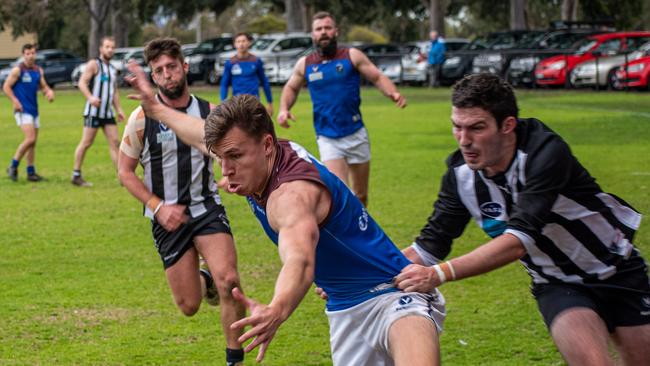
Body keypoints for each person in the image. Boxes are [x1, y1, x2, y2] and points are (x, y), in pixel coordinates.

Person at [125, 61, 445, 366]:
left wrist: (277, 308)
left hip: (396, 293)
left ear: (265, 145)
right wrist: (155, 109)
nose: (226, 170)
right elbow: (196, 132)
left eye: (234, 157)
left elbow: (300, 259)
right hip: (344, 306)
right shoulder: (260, 155)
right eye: (220, 158)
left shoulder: (289, 195)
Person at [395, 73, 650, 365]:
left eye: (477, 128)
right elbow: (428, 248)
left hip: (619, 270)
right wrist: (355, 275)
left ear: (507, 126)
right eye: (457, 127)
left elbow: (519, 240)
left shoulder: (545, 153)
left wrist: (439, 275)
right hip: (558, 283)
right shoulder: (460, 176)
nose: (464, 141)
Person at [117, 38, 245, 366]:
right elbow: (125, 172)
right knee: (189, 305)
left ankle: (234, 360)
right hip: (166, 218)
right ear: (152, 76)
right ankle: (204, 281)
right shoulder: (141, 119)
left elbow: (227, 153)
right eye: (158, 71)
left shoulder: (210, 113)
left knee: (229, 280)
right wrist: (158, 207)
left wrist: (231, 176)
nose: (167, 75)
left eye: (171, 67)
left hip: (206, 208)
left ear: (184, 67)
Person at [277, 11, 406, 207]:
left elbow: (377, 77)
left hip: (356, 133)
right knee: (342, 194)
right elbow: (291, 87)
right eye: (319, 29)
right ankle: (350, 235)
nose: (324, 32)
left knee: (361, 195)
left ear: (336, 31)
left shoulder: (351, 56)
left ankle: (362, 229)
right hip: (328, 137)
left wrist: (393, 93)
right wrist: (284, 109)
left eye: (327, 28)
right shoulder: (306, 64)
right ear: (313, 34)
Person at [71, 36, 126, 187]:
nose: (110, 49)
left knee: (115, 142)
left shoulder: (113, 69)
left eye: (112, 47)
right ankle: (76, 175)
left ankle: (123, 177)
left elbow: (114, 91)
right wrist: (90, 98)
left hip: (107, 113)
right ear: (101, 49)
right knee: (87, 142)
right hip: (93, 112)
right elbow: (82, 83)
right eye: (107, 47)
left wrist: (119, 109)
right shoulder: (94, 64)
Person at [4, 43, 54, 182]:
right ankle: (13, 165)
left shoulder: (38, 70)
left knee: (33, 142)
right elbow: (6, 87)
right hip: (22, 110)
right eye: (28, 53)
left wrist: (48, 93)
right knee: (30, 138)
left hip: (34, 110)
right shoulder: (18, 70)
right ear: (23, 55)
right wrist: (15, 101)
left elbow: (44, 86)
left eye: (33, 53)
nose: (31, 56)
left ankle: (31, 172)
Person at [220, 32, 273, 116]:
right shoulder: (230, 62)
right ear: (235, 44)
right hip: (237, 102)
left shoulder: (256, 61)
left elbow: (264, 82)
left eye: (244, 41)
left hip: (254, 102)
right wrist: (223, 102)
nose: (241, 44)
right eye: (238, 41)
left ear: (249, 43)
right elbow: (224, 84)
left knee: (255, 128)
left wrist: (269, 102)